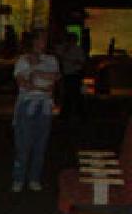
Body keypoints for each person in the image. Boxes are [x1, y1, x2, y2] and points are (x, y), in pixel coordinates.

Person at [11, 28, 60, 191]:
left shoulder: (51, 60)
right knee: (23, 143)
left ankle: (34, 178)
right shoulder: (23, 60)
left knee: (41, 143)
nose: (42, 43)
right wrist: (40, 83)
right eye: (40, 39)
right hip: (27, 105)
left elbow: (53, 79)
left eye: (45, 40)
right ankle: (19, 178)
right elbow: (23, 83)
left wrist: (36, 76)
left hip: (45, 106)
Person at [57, 31, 86, 122]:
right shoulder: (63, 48)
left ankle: (79, 114)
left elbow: (81, 62)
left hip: (75, 74)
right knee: (67, 94)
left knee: (76, 94)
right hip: (66, 74)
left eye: (74, 39)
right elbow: (59, 55)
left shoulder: (78, 49)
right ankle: (66, 114)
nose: (72, 41)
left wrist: (73, 61)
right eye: (70, 39)